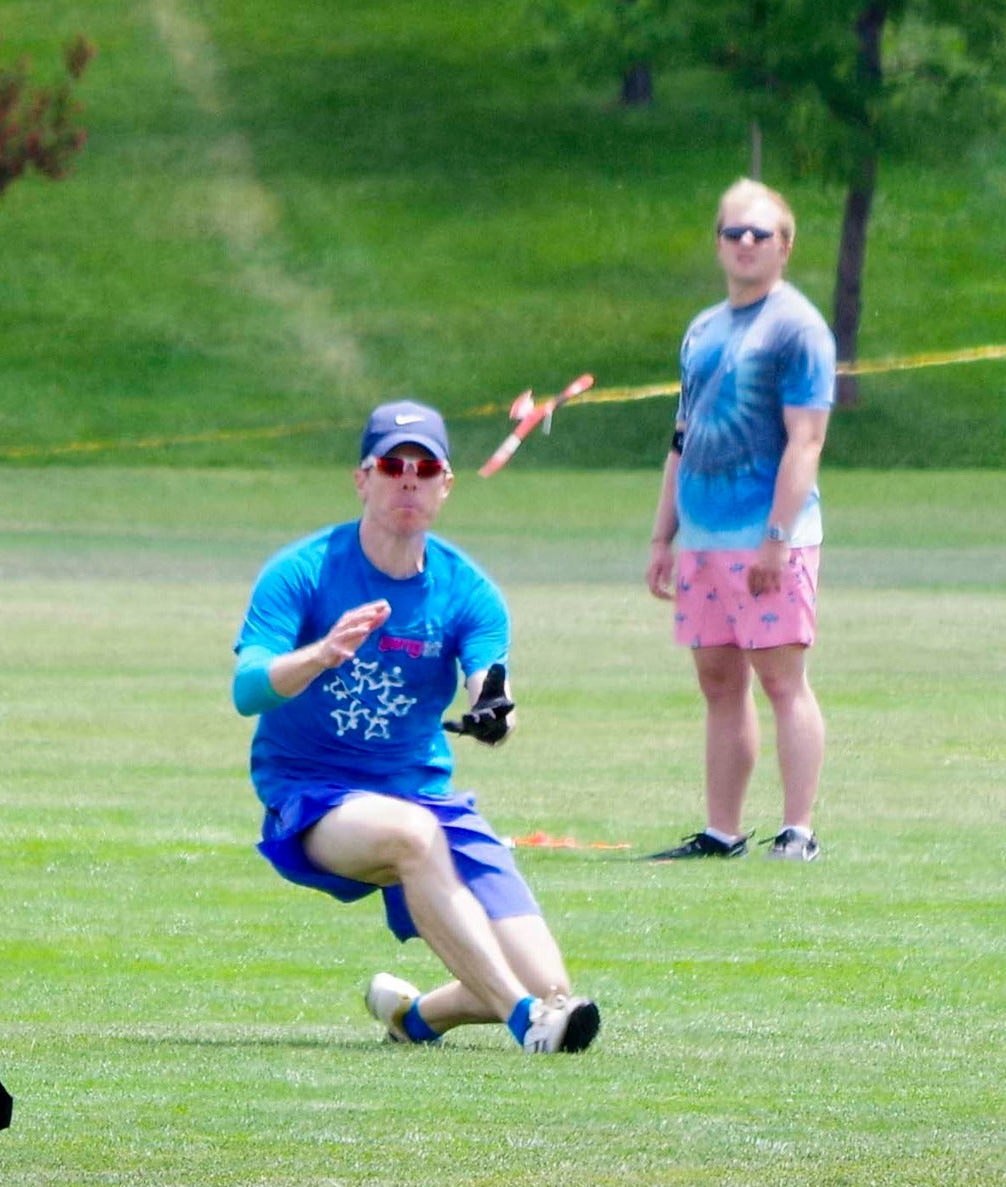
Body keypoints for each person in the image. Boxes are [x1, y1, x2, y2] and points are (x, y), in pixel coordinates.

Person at [232, 400, 600, 1054]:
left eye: (424, 467)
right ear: (362, 478)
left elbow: (490, 679)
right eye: (392, 465)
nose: (408, 479)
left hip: (420, 796)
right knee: (413, 835)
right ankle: (524, 1023)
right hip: (313, 797)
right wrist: (318, 655)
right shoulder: (304, 570)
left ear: (445, 484)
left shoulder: (468, 591)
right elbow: (247, 690)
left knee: (554, 988)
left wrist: (495, 710)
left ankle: (417, 1017)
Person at [644, 179, 835, 862]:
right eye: (734, 233)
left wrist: (777, 538)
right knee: (719, 685)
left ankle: (798, 831)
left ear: (785, 245)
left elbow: (806, 440)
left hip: (767, 538)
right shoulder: (703, 328)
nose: (746, 244)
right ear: (719, 242)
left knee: (783, 681)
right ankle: (723, 832)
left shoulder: (798, 328)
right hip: (702, 541)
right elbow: (682, 436)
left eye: (761, 234)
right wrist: (664, 534)